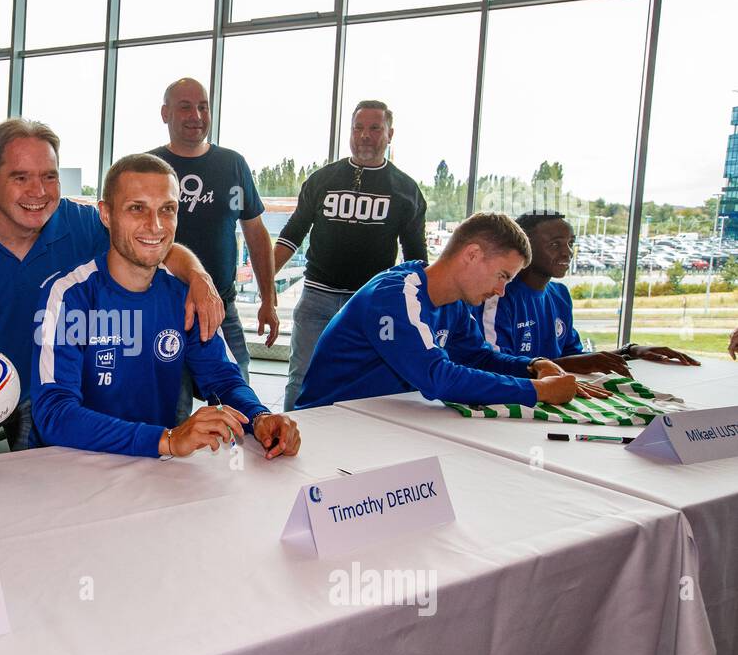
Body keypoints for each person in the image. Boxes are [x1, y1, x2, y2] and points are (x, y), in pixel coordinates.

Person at [0, 118, 225, 457]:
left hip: (42, 392)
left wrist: (198, 277)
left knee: (38, 495)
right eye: (21, 178)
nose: (39, 192)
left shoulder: (82, 224)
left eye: (49, 176)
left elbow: (150, 243)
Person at [32, 153, 300, 460]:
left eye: (168, 210)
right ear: (106, 215)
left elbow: (224, 379)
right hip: (71, 470)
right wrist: (167, 439)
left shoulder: (183, 296)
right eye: (137, 208)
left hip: (153, 469)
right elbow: (54, 413)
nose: (155, 225)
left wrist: (259, 418)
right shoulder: (69, 295)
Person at [294, 211, 583, 411]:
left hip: (384, 422)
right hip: (331, 424)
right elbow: (437, 377)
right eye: (503, 276)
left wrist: (531, 366)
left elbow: (477, 357)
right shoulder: (394, 295)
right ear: (472, 255)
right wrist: (538, 391)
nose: (501, 290)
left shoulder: (454, 303)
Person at [275, 100, 429, 408]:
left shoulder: (405, 189)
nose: (365, 136)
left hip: (370, 304)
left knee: (365, 384)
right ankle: (283, 444)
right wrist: (267, 287)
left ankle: (352, 452)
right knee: (301, 377)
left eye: (375, 128)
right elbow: (291, 235)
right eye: (358, 128)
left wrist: (425, 307)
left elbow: (415, 255)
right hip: (317, 299)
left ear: (390, 134)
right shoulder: (323, 179)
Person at [148, 77, 277, 420]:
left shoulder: (232, 164)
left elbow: (256, 234)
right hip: (162, 311)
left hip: (222, 309)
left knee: (242, 412)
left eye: (203, 106)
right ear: (165, 114)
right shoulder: (147, 167)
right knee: (169, 418)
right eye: (185, 107)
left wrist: (269, 300)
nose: (197, 115)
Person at [474, 210, 699, 372]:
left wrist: (630, 351)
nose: (567, 253)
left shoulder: (559, 295)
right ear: (524, 246)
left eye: (571, 243)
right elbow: (494, 365)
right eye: (555, 244)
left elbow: (577, 359)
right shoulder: (497, 296)